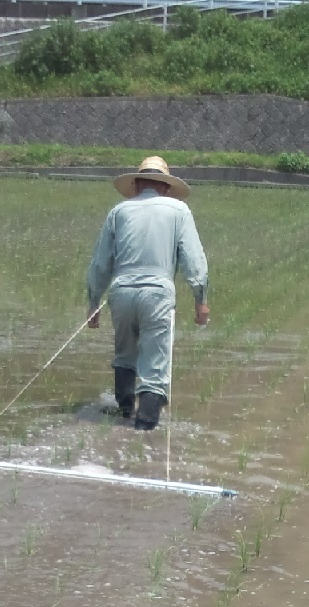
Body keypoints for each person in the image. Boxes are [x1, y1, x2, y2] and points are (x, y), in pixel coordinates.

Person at [85, 156, 210, 431]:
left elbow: (100, 262)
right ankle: (144, 431)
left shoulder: (119, 211)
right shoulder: (179, 210)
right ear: (165, 186)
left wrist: (94, 301)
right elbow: (193, 261)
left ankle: (125, 412)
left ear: (138, 184)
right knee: (155, 363)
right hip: (157, 293)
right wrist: (200, 300)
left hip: (121, 291)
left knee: (125, 353)